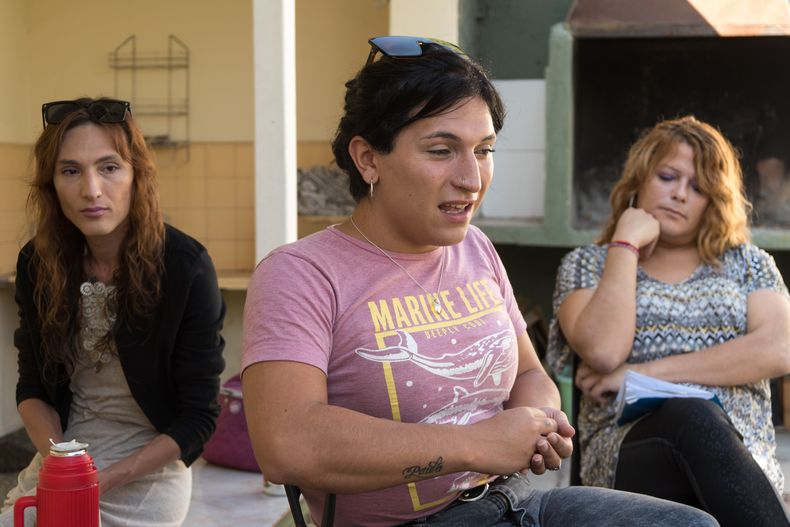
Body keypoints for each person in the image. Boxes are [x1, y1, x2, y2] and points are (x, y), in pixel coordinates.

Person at [242, 36, 717, 527]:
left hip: (508, 504)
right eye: (441, 150)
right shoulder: (302, 273)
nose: (471, 178)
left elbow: (531, 376)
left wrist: (537, 422)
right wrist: (480, 444)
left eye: (484, 150)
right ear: (368, 159)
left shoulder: (475, 248)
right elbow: (288, 442)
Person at [546, 116, 790, 527]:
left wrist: (641, 374)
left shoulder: (747, 264)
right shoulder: (587, 265)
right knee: (691, 416)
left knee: (698, 419)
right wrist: (624, 245)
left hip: (743, 458)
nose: (679, 194)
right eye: (667, 176)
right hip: (628, 459)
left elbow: (780, 348)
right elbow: (604, 352)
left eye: (697, 187)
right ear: (640, 179)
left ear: (714, 201)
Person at [0, 97, 226, 526]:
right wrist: (63, 466)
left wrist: (99, 481)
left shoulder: (185, 266)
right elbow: (32, 388)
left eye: (109, 167)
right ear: (51, 184)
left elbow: (198, 418)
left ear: (137, 175)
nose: (91, 190)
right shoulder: (37, 262)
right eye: (70, 170)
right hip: (63, 456)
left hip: (146, 471)